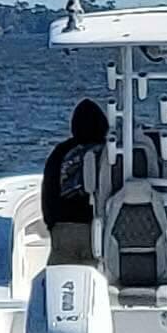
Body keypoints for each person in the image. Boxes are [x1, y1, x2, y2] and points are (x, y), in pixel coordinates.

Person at [41, 99, 109, 264]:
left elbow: (48, 192)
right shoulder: (109, 152)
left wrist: (52, 224)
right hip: (97, 231)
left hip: (63, 228)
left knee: (59, 282)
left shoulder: (61, 152)